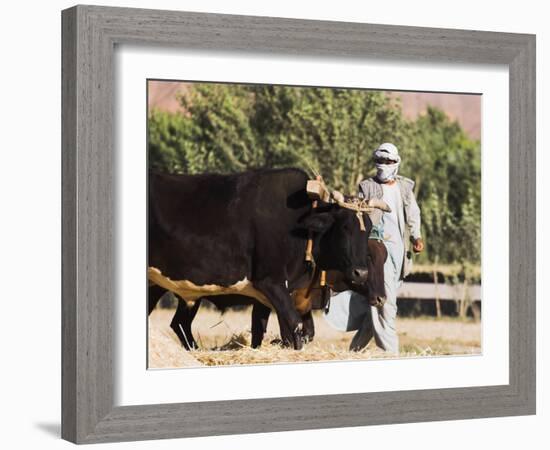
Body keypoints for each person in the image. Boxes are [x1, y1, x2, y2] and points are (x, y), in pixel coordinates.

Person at [324, 142, 423, 355]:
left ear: (396, 163)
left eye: (388, 161)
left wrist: (417, 236)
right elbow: (359, 212)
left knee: (379, 303)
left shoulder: (404, 187)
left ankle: (354, 352)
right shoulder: (367, 186)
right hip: (378, 251)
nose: (383, 165)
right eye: (379, 161)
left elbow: (413, 213)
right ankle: (391, 354)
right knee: (385, 304)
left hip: (400, 252)